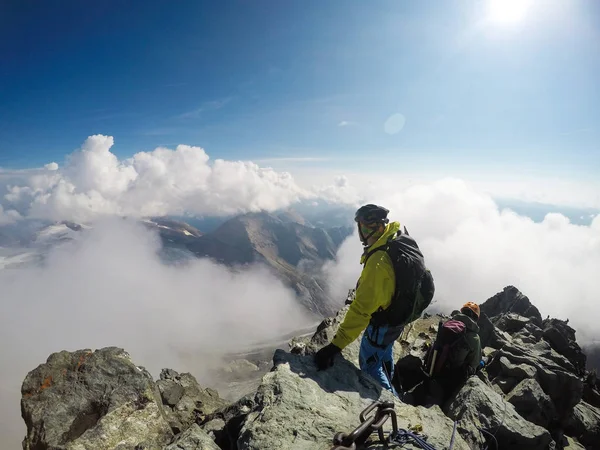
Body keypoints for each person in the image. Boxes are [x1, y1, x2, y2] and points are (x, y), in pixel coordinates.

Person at [314, 204, 434, 396]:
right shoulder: (396, 238)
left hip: (384, 321)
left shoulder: (378, 264)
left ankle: (389, 402)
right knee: (383, 352)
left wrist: (334, 347)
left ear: (379, 227)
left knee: (370, 365)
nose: (361, 232)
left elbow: (361, 311)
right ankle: (391, 379)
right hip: (401, 315)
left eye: (364, 227)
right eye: (361, 227)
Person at [406, 302, 482, 406]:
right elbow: (474, 364)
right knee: (477, 365)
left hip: (432, 369)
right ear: (475, 318)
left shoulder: (448, 323)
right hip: (449, 380)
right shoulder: (474, 338)